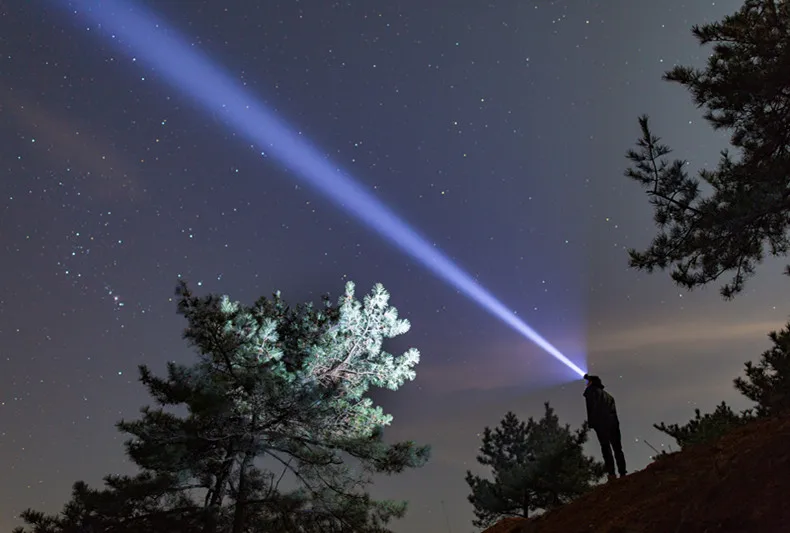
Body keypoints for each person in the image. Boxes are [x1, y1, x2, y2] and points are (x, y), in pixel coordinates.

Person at [583, 374, 627, 481]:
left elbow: (592, 408)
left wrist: (592, 423)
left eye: (588, 382)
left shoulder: (591, 392)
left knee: (605, 448)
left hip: (601, 425)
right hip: (614, 424)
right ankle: (622, 473)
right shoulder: (609, 396)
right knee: (617, 448)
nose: (586, 384)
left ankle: (611, 474)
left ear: (591, 383)